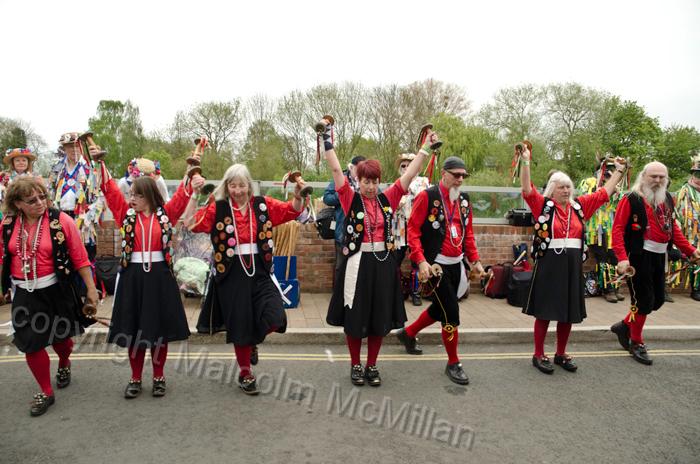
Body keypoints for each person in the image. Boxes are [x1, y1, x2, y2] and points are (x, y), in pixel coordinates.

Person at [321, 116, 430, 387]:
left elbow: (410, 174)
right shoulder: (349, 198)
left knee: (379, 318)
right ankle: (355, 364)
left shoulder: (387, 198)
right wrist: (326, 139)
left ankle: (371, 365)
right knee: (356, 317)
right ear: (357, 180)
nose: (370, 186)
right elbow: (334, 169)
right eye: (365, 181)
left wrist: (425, 148)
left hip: (383, 264)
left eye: (374, 181)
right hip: (357, 264)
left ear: (379, 181)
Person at [95, 150, 202, 398]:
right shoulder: (125, 215)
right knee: (134, 332)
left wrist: (191, 172)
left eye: (137, 195)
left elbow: (183, 194)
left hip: (159, 278)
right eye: (131, 194)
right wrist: (99, 163)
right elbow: (110, 191)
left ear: (150, 196)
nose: (131, 198)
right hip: (133, 278)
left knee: (158, 332)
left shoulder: (165, 215)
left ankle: (158, 377)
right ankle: (135, 378)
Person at [191, 163, 304, 395]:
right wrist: (194, 195)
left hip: (260, 271)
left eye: (242, 185)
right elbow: (193, 224)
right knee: (240, 326)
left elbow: (291, 211)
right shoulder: (219, 208)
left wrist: (298, 196)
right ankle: (245, 374)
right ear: (227, 186)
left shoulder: (261, 205)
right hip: (231, 273)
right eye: (233, 186)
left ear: (249, 185)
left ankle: (252, 341)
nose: (238, 190)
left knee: (276, 316)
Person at [520, 145, 627, 374]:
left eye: (568, 186)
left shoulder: (579, 207)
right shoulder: (543, 206)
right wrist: (526, 161)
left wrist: (619, 171)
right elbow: (527, 189)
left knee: (567, 313)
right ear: (552, 189)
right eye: (561, 187)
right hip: (549, 266)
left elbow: (603, 194)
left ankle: (560, 353)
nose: (566, 190)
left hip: (572, 267)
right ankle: (538, 354)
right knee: (544, 313)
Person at [0, 177, 98, 416]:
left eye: (42, 197)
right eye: (31, 200)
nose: (40, 203)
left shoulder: (61, 221)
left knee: (61, 340)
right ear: (17, 203)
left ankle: (64, 361)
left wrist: (91, 290)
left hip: (55, 291)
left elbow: (80, 257)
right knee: (30, 343)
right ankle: (46, 391)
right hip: (24, 293)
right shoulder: (8, 224)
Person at [396, 156, 484, 385]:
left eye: (463, 175)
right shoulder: (427, 196)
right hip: (435, 266)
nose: (460, 179)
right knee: (451, 312)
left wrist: (475, 261)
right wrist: (420, 260)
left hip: (457, 264)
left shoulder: (463, 200)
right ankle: (453, 362)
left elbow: (468, 233)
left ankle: (408, 334)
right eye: (456, 175)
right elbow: (413, 231)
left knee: (440, 308)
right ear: (444, 174)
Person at [610, 161, 700, 365]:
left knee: (657, 300)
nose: (658, 180)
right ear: (643, 176)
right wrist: (622, 258)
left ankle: (624, 326)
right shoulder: (630, 199)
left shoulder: (667, 198)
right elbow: (617, 230)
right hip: (637, 257)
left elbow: (672, 228)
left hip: (659, 256)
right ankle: (636, 342)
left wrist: (690, 250)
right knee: (642, 302)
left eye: (661, 177)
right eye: (653, 176)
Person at [48, 133, 104, 263]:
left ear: (82, 147)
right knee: (63, 257)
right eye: (70, 146)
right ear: (64, 148)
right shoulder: (57, 168)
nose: (74, 150)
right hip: (61, 219)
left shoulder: (91, 167)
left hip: (84, 220)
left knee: (85, 258)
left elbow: (100, 196)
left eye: (77, 146)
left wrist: (87, 219)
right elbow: (50, 193)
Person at [578, 154, 625, 303]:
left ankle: (615, 287)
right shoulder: (589, 182)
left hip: (610, 228)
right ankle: (607, 289)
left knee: (614, 257)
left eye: (613, 171)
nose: (610, 174)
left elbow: (619, 205)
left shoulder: (616, 185)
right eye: (607, 170)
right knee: (602, 258)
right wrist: (602, 187)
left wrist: (616, 193)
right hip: (594, 228)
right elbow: (585, 199)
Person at [393, 153, 430, 306]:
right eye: (403, 165)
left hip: (417, 230)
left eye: (409, 165)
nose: (406, 168)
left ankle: (416, 293)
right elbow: (390, 206)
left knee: (417, 262)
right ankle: (398, 291)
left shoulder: (423, 182)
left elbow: (425, 201)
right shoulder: (397, 184)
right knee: (395, 262)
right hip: (400, 230)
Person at [323, 155, 365, 276]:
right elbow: (327, 198)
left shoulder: (366, 180)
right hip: (343, 232)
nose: (361, 172)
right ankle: (338, 289)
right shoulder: (340, 179)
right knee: (341, 267)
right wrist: (343, 193)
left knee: (359, 268)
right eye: (358, 169)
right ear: (351, 167)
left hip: (362, 232)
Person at [671, 154, 700, 301]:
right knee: (695, 255)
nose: (699, 178)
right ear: (692, 175)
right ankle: (695, 289)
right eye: (697, 174)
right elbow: (678, 213)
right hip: (690, 231)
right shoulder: (685, 191)